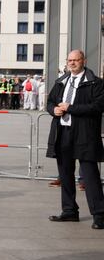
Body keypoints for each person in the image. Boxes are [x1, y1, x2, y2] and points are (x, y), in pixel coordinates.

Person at [45, 50, 104, 229]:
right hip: (63, 132)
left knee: (90, 175)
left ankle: (100, 215)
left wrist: (72, 108)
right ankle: (69, 211)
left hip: (85, 135)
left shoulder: (95, 82)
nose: (72, 63)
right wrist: (53, 109)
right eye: (69, 60)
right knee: (65, 174)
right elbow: (50, 101)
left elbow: (98, 106)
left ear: (83, 61)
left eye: (75, 60)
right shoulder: (62, 81)